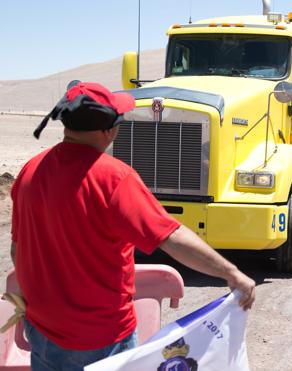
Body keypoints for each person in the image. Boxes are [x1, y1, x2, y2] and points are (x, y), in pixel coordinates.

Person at [11, 81, 256, 371]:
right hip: (102, 340)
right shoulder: (114, 179)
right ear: (109, 130)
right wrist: (231, 273)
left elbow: (17, 250)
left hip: (43, 330)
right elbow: (171, 237)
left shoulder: (31, 170)